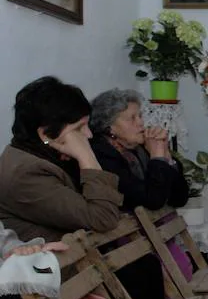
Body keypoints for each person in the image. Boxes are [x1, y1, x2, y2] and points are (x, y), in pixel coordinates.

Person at [0, 76, 123, 242]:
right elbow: (103, 219)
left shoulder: (44, 155)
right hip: (60, 265)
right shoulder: (27, 174)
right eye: (79, 128)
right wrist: (87, 158)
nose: (89, 134)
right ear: (45, 134)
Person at [90, 88, 193, 284]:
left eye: (140, 116)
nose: (141, 123)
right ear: (109, 127)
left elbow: (179, 197)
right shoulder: (103, 156)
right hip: (126, 253)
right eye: (132, 118)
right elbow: (152, 200)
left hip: (150, 241)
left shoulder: (137, 150)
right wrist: (157, 159)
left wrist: (166, 158)